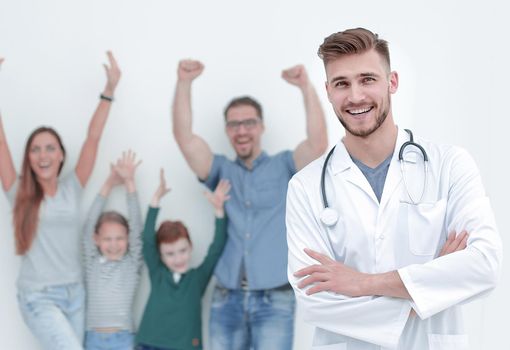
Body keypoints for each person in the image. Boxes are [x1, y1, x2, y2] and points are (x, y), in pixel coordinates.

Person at [286, 27, 503, 349]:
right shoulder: (305, 187)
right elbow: (315, 300)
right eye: (342, 83)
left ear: (393, 82)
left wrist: (362, 283)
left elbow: (483, 264)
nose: (356, 96)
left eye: (367, 79)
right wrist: (430, 287)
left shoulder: (450, 164)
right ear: (329, 91)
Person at [172, 59, 328, 349]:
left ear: (261, 126)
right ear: (227, 130)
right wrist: (184, 82)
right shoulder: (220, 169)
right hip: (225, 298)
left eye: (248, 123)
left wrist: (305, 87)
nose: (241, 130)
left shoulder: (285, 165)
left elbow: (318, 144)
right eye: (233, 124)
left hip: (275, 299)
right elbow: (185, 139)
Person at [0, 52, 121, 349]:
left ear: (61, 155)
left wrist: (109, 91)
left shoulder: (72, 188)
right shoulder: (18, 194)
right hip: (38, 297)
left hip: (75, 294)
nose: (43, 155)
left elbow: (93, 138)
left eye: (50, 148)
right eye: (36, 150)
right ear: (28, 158)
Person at [136, 170, 230, 350]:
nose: (178, 258)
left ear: (191, 247)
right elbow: (148, 239)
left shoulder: (198, 278)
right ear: (160, 255)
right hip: (150, 343)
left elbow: (215, 249)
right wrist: (156, 199)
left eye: (182, 250)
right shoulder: (158, 274)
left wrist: (219, 211)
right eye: (170, 254)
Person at [83, 150, 143, 350]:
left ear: (127, 239)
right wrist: (109, 182)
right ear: (96, 240)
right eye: (107, 239)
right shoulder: (92, 263)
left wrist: (129, 183)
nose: (114, 244)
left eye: (119, 238)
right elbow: (90, 222)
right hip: (93, 338)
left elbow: (136, 226)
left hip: (123, 339)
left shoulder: (131, 263)